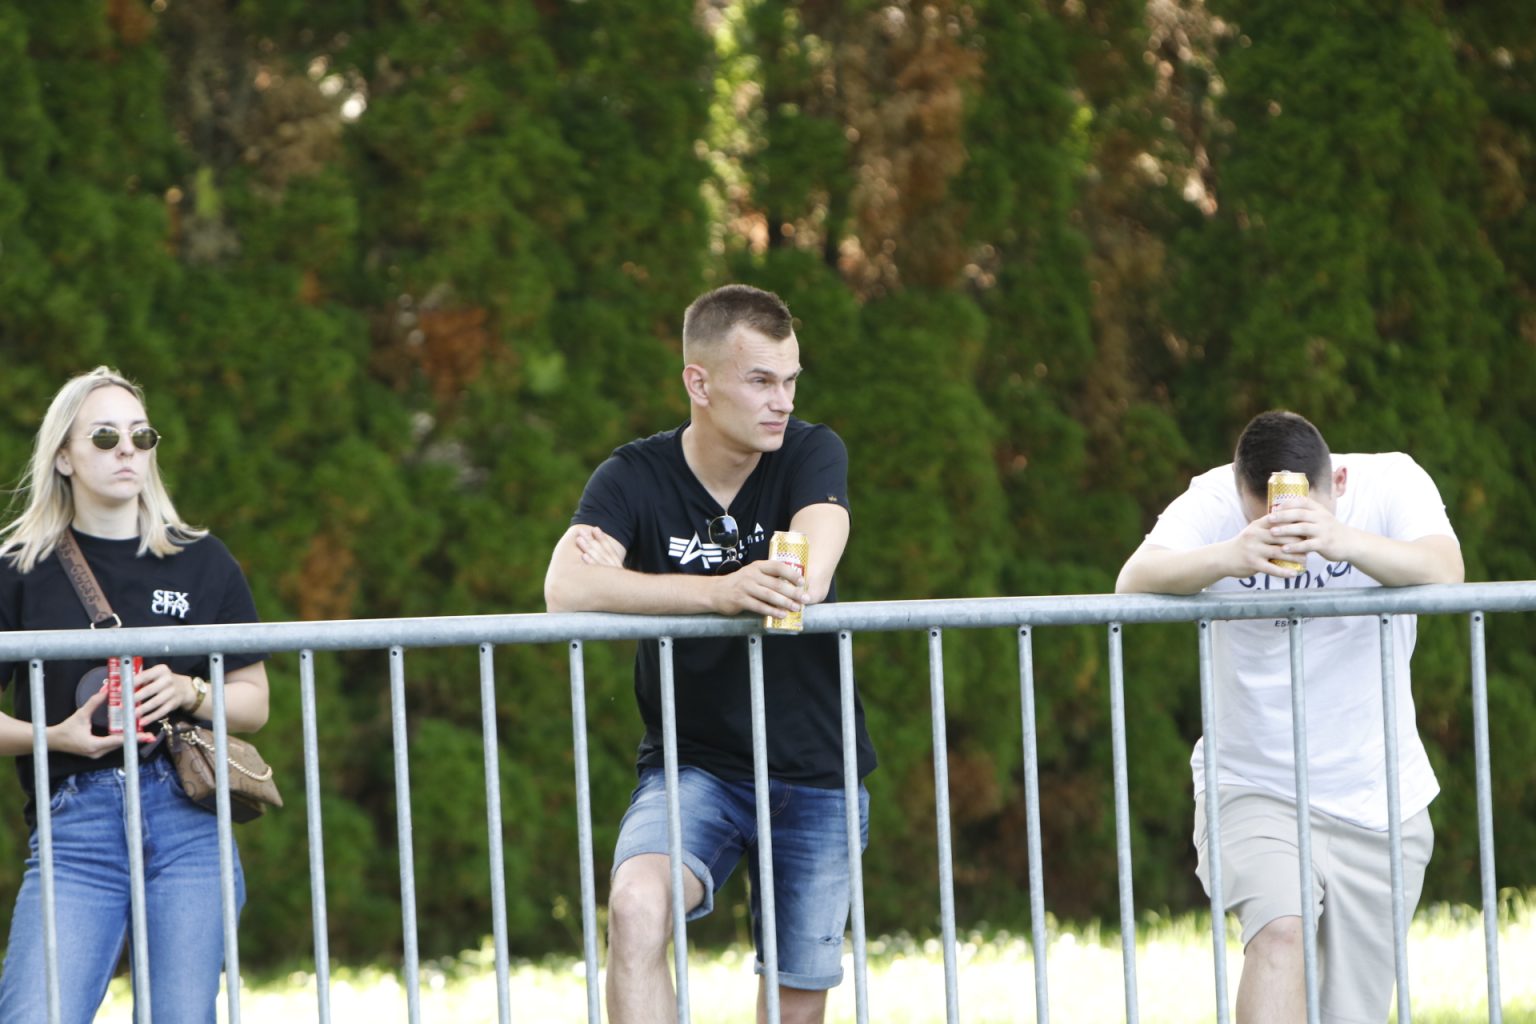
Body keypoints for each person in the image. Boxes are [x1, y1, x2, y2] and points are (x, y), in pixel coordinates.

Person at [544, 284, 875, 1024]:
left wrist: (632, 584)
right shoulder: (634, 474)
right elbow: (565, 588)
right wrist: (720, 592)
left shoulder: (811, 451)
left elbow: (803, 579)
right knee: (635, 906)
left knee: (795, 1004)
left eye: (790, 380)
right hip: (694, 767)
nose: (782, 402)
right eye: (760, 381)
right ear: (699, 383)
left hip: (818, 770)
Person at [1116, 410, 1463, 1023]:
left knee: (1349, 1012)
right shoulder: (1214, 498)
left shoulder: (1391, 481)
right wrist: (1228, 556)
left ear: (1340, 483)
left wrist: (1341, 540)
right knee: (1279, 933)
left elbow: (1447, 570)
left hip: (1380, 799)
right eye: (1264, 518)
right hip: (1255, 785)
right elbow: (1132, 582)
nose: (1283, 532)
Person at [0, 367, 270, 1023]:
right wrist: (52, 737)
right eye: (104, 436)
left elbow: (254, 701)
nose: (127, 449)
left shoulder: (203, 560)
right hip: (75, 829)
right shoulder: (19, 569)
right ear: (63, 456)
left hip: (188, 823)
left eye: (141, 436)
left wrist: (188, 690)